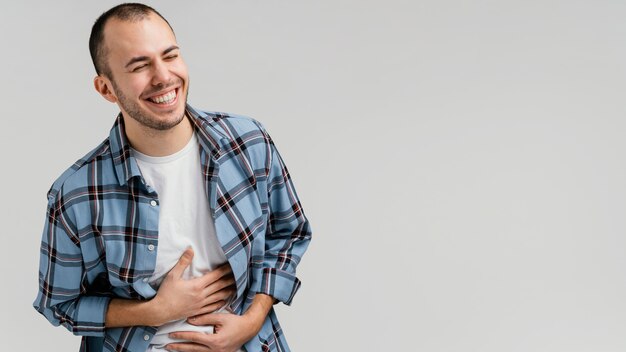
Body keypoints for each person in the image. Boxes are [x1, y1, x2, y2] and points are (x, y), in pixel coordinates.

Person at [33, 3, 312, 352]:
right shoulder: (76, 194)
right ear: (106, 89)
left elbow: (289, 234)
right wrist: (153, 311)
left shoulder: (248, 142)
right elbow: (60, 303)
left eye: (170, 56)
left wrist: (251, 321)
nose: (163, 76)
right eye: (140, 65)